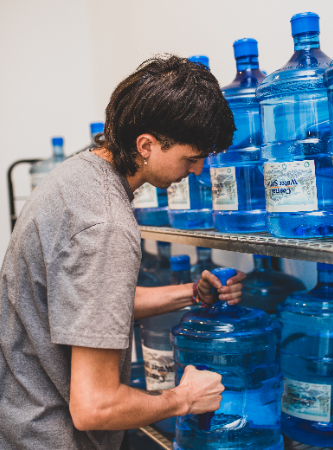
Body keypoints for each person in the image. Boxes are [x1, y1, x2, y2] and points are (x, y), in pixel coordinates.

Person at [0, 55, 243, 450]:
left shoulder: (73, 177)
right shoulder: (107, 224)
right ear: (146, 145)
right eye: (191, 157)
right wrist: (183, 399)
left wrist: (191, 294)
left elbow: (87, 304)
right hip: (55, 437)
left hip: (18, 421)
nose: (198, 171)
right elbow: (94, 407)